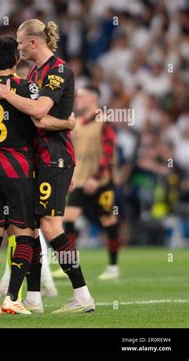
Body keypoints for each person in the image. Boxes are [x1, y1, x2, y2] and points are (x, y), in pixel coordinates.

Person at [0, 19, 95, 313]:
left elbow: (39, 110)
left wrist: (9, 96)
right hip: (40, 157)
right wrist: (64, 121)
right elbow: (41, 119)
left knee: (50, 226)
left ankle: (83, 295)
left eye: (21, 43)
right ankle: (34, 298)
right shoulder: (35, 72)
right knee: (32, 228)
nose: (18, 48)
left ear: (34, 43)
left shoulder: (59, 70)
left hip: (55, 157)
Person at [0, 36, 39, 315]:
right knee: (24, 234)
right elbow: (36, 123)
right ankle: (12, 297)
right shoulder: (25, 88)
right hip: (18, 168)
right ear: (16, 59)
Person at [64, 85, 120, 280]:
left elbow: (108, 153)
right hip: (79, 179)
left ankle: (113, 267)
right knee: (68, 219)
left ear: (93, 98)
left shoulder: (105, 121)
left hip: (102, 181)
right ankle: (71, 263)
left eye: (81, 95)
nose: (77, 98)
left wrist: (96, 178)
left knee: (108, 220)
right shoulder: (76, 123)